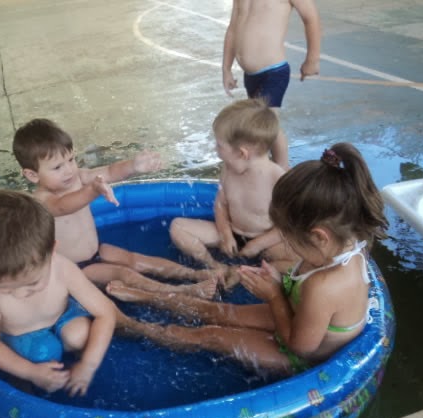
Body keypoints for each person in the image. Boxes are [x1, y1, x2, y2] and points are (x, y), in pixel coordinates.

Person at [109, 143, 388, 374]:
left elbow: (300, 347)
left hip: (296, 355)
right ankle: (146, 296)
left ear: (319, 236)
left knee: (210, 334)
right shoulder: (346, 243)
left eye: (288, 236)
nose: (284, 242)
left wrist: (274, 295)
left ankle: (133, 326)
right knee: (217, 312)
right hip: (296, 316)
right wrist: (277, 279)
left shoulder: (325, 286)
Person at [13, 118, 218, 298]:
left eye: (71, 159)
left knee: (136, 259)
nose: (69, 170)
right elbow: (63, 206)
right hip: (75, 269)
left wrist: (133, 166)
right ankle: (184, 291)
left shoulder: (76, 178)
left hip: (96, 250)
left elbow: (110, 172)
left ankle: (195, 274)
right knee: (125, 274)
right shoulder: (41, 201)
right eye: (58, 167)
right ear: (32, 175)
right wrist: (92, 190)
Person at [0, 189, 116, 396]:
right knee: (43, 352)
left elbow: (105, 312)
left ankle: (71, 357)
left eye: (33, 283)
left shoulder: (62, 268)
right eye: (4, 287)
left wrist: (88, 365)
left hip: (63, 317)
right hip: (22, 338)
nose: (19, 294)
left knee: (79, 336)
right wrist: (30, 372)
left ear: (52, 251)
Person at [169, 99, 296, 285]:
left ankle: (253, 270)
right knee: (178, 227)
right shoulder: (228, 169)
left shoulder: (277, 178)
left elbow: (289, 225)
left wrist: (258, 244)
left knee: (299, 259)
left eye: (219, 145)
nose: (215, 150)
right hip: (233, 232)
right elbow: (220, 204)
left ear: (242, 153)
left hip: (266, 240)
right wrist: (225, 233)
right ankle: (216, 267)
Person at [222, 0, 321, 169]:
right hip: (250, 75)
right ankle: (268, 167)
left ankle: (282, 171)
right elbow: (233, 28)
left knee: (269, 121)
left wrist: (312, 60)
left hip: (273, 71)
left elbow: (311, 18)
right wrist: (226, 68)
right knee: (259, 123)